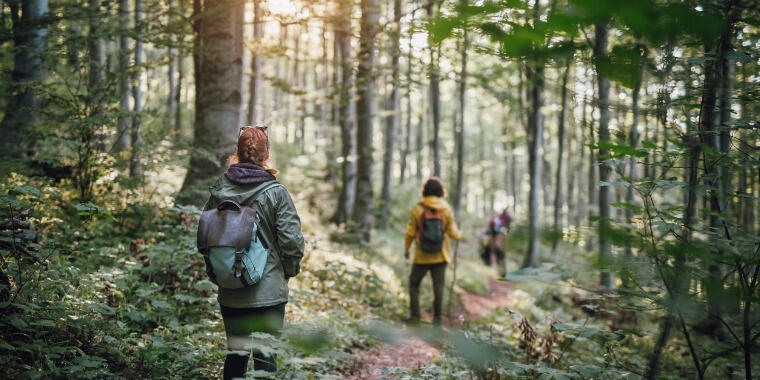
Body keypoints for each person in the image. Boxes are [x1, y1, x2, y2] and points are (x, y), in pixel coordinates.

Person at [202, 126, 304, 379]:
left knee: (235, 357)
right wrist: (287, 272)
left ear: (237, 151)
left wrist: (217, 272)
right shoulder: (276, 193)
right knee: (265, 360)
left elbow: (206, 236)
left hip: (230, 287)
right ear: (266, 153)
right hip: (268, 293)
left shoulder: (219, 190)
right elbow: (292, 242)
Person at [403, 176, 462, 326]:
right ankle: (437, 321)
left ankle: (415, 316)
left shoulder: (418, 208)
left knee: (414, 284)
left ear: (424, 190)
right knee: (439, 288)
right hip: (441, 256)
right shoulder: (445, 208)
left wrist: (407, 248)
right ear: (441, 191)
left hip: (421, 255)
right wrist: (460, 234)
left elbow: (410, 232)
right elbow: (453, 232)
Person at [487, 208, 511, 277]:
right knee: (500, 257)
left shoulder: (498, 219)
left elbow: (492, 229)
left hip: (498, 238)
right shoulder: (497, 220)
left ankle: (503, 272)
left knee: (501, 257)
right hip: (498, 237)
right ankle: (502, 272)